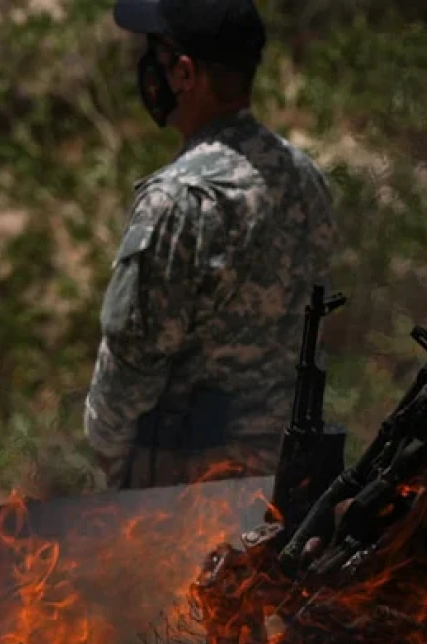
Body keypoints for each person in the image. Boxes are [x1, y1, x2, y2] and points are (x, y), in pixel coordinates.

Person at [85, 0, 340, 489]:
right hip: (287, 480)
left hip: (188, 495)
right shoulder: (306, 178)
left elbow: (130, 365)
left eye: (155, 54)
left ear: (184, 73)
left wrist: (113, 464)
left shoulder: (177, 198)